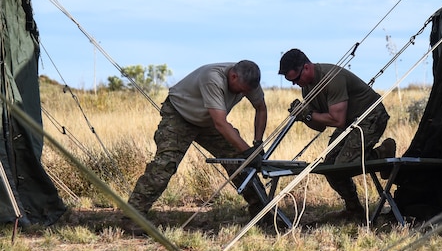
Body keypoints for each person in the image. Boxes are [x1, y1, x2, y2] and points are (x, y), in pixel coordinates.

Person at [127, 60, 268, 219]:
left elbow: (261, 108)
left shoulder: (250, 80)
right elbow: (220, 123)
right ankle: (132, 216)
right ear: (233, 76)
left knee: (241, 162)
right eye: (241, 90)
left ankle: (263, 213)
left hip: (209, 120)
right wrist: (249, 152)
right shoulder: (213, 78)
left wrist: (257, 144)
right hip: (180, 115)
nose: (241, 94)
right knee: (165, 164)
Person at [279, 48, 396, 221]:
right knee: (330, 167)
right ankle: (354, 210)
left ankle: (381, 154)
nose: (295, 84)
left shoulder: (331, 78)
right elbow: (320, 126)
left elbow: (337, 120)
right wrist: (303, 117)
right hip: (350, 122)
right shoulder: (307, 88)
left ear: (306, 67)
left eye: (296, 79)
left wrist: (308, 114)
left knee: (344, 165)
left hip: (370, 116)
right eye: (291, 81)